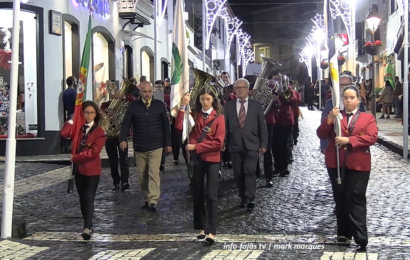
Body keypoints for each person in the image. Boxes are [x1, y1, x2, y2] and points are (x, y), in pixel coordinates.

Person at [317, 85, 378, 251]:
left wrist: (349, 140)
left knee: (355, 198)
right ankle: (343, 234)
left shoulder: (367, 118)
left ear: (358, 100)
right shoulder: (337, 116)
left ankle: (361, 237)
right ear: (342, 100)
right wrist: (329, 118)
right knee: (340, 199)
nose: (349, 100)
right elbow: (321, 134)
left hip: (359, 165)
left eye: (352, 97)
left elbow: (372, 137)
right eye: (346, 98)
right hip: (336, 164)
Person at [176, 85, 225, 245]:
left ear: (213, 100)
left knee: (211, 195)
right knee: (197, 193)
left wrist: (196, 147)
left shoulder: (219, 118)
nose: (205, 102)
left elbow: (217, 143)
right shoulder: (195, 115)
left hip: (212, 160)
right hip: (197, 160)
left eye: (208, 99)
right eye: (202, 99)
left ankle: (212, 231)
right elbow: (179, 127)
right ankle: (201, 227)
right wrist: (183, 105)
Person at [119, 81, 172, 212]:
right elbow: (126, 123)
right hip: (140, 146)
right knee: (142, 175)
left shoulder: (160, 106)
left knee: (153, 173)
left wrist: (168, 144)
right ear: (140, 92)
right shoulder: (133, 106)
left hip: (156, 145)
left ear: (152, 91)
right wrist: (123, 139)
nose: (147, 94)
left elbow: (166, 126)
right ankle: (146, 199)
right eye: (144, 92)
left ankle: (153, 200)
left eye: (149, 91)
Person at [60, 101, 106, 240]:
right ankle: (86, 224)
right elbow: (64, 133)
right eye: (86, 112)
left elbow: (93, 153)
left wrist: (76, 158)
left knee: (88, 197)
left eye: (92, 112)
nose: (89, 115)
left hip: (92, 170)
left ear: (96, 114)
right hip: (79, 171)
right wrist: (74, 118)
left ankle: (88, 226)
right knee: (82, 199)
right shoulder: (78, 128)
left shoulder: (99, 132)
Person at [224, 78, 268, 211]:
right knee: (238, 173)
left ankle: (250, 198)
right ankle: (242, 196)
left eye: (243, 87)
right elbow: (225, 127)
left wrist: (264, 143)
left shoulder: (256, 105)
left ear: (248, 89)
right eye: (238, 88)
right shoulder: (229, 106)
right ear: (235, 90)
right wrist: (223, 142)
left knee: (250, 171)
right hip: (235, 144)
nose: (240, 90)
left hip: (252, 144)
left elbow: (262, 125)